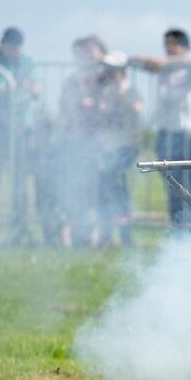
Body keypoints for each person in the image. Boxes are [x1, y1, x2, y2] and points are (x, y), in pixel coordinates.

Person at [131, 28, 191, 230]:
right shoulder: (160, 67)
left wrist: (164, 63)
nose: (168, 48)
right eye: (166, 44)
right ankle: (177, 232)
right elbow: (139, 61)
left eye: (173, 44)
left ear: (184, 46)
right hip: (167, 134)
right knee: (173, 187)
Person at [0, 27, 42, 246]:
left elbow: (37, 89)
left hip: (21, 130)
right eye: (10, 45)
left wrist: (26, 87)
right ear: (2, 43)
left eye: (17, 46)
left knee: (19, 183)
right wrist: (6, 90)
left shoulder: (28, 62)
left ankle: (19, 228)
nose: (14, 50)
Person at [57, 35, 109, 246]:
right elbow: (64, 107)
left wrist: (95, 106)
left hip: (100, 142)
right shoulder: (72, 80)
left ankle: (97, 233)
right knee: (74, 186)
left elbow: (111, 107)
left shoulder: (107, 78)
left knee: (97, 189)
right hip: (75, 140)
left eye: (90, 50)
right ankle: (70, 231)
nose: (86, 55)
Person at [90, 52, 143, 247]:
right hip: (107, 146)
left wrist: (118, 96)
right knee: (106, 186)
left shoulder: (129, 90)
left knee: (116, 183)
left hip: (126, 145)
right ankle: (106, 234)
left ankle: (125, 234)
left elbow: (137, 109)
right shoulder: (102, 92)